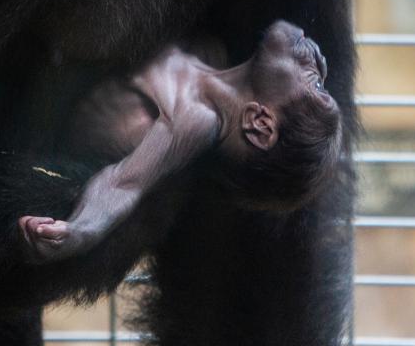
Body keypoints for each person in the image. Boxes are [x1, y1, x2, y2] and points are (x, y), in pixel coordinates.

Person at [19, 20, 343, 262]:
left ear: (260, 125)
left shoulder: (196, 120)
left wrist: (79, 233)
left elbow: (124, 184)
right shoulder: (210, 53)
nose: (319, 62)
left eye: (318, 88)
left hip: (31, 100)